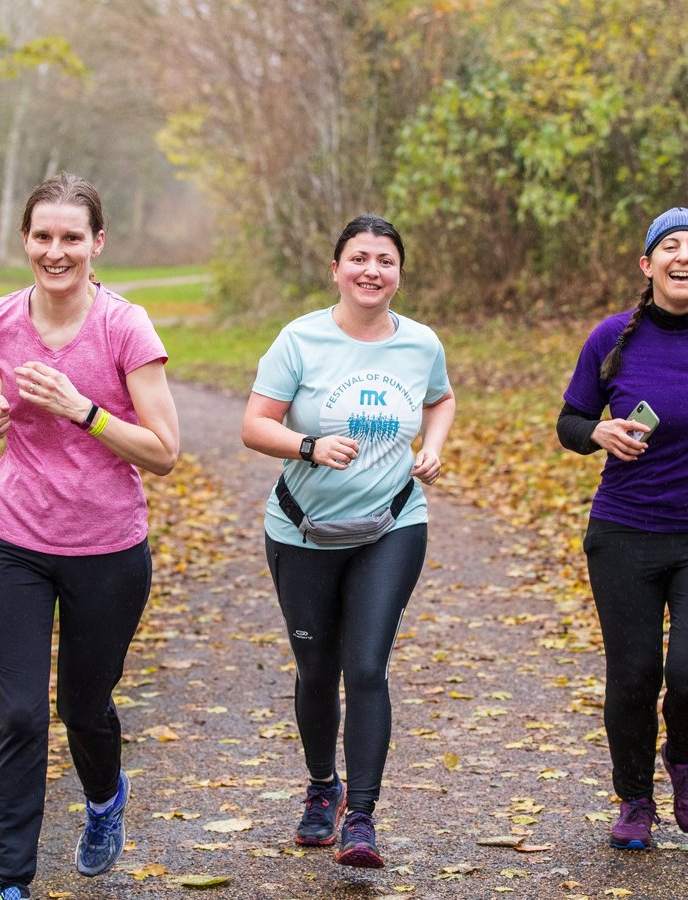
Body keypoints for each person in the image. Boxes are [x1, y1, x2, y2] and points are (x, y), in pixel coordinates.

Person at [0, 172, 180, 899]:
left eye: (71, 238)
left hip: (107, 547)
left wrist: (84, 410)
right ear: (25, 240)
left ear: (97, 244)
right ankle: (11, 884)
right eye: (43, 236)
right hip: (12, 540)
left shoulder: (124, 327)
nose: (56, 252)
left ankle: (104, 800)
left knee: (82, 708)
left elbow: (165, 451)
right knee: (20, 712)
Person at [556, 207, 688, 850]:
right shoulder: (609, 338)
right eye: (670, 247)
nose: (684, 257)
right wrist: (597, 431)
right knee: (632, 675)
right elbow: (570, 422)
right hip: (625, 530)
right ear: (647, 264)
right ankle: (634, 799)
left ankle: (682, 760)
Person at [241, 214, 456, 868]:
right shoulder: (299, 339)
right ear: (336, 269)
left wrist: (434, 448)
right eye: (359, 258)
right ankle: (320, 788)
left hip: (391, 524)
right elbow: (254, 425)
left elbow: (441, 400)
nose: (372, 270)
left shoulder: (420, 344)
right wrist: (308, 445)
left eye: (385, 260)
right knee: (317, 670)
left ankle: (361, 817)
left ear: (398, 273)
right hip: (302, 529)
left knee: (366, 667)